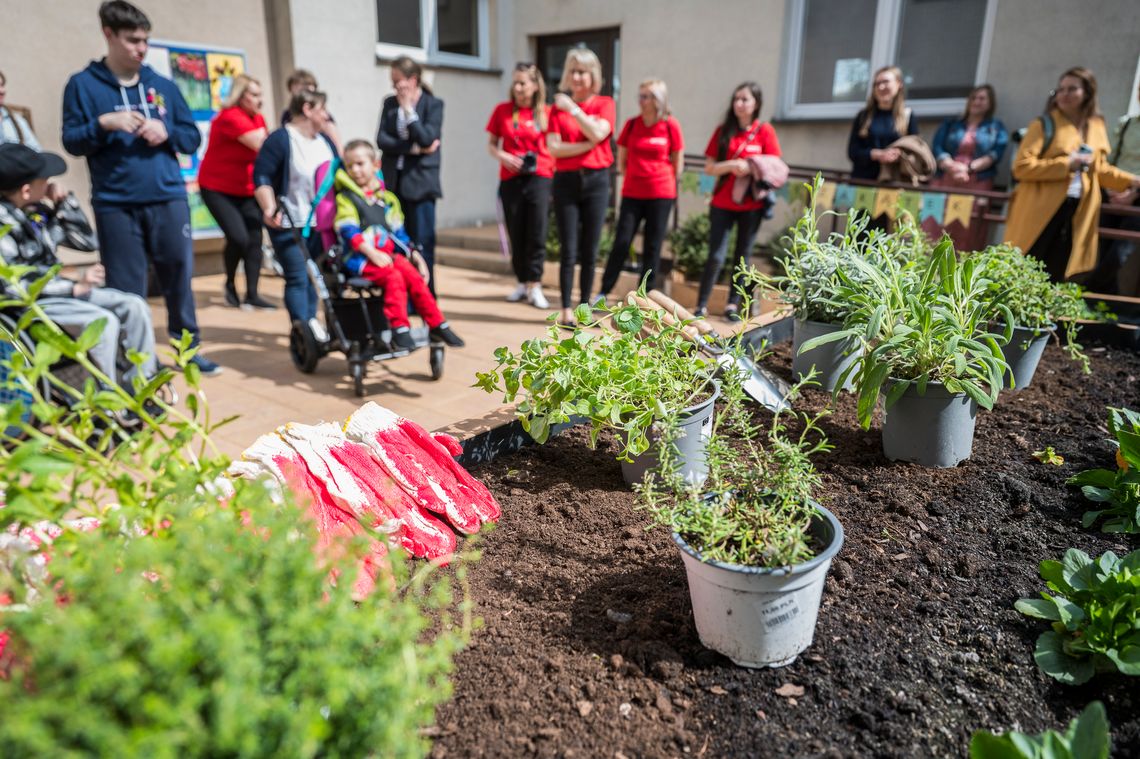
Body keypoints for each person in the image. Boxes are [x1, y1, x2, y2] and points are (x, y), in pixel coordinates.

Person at [61, 0, 220, 376]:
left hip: (168, 198)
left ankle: (186, 352)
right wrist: (105, 123)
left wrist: (167, 132)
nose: (141, 48)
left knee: (179, 280)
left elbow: (190, 139)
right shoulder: (82, 86)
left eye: (145, 40)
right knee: (127, 291)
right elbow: (71, 141)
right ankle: (138, 363)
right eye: (133, 40)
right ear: (109, 35)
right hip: (116, 204)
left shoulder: (161, 85)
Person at [0, 143, 157, 392]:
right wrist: (74, 287)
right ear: (27, 189)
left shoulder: (37, 213)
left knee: (134, 306)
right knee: (103, 322)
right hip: (31, 305)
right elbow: (13, 286)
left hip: (61, 294)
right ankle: (107, 404)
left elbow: (86, 242)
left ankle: (143, 386)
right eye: (46, 179)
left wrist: (65, 203)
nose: (51, 183)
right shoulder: (4, 227)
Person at [1005, 67, 1140, 283]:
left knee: (1059, 270)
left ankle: (1045, 315)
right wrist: (1067, 164)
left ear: (1087, 93)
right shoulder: (1043, 125)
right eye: (1060, 89)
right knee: (1027, 265)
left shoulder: (1096, 127)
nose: (1064, 94)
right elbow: (1021, 167)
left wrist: (1132, 181)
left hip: (1078, 210)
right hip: (1040, 210)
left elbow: (1100, 169)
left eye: (1072, 89)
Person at [333, 140, 464, 350]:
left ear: (375, 165)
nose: (355, 170)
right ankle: (399, 328)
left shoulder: (389, 200)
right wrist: (372, 253)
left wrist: (415, 256)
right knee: (394, 277)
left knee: (413, 276)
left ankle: (437, 323)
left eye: (360, 164)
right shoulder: (346, 199)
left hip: (387, 256)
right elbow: (349, 231)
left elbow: (399, 235)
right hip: (360, 259)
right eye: (349, 166)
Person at [695, 82, 780, 320]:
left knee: (742, 256)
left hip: (751, 205)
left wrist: (751, 167)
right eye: (736, 99)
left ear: (756, 104)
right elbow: (710, 168)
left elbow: (773, 167)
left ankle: (732, 305)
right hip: (722, 203)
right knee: (716, 255)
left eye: (745, 99)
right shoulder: (723, 131)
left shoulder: (765, 131)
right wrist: (732, 166)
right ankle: (701, 304)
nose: (739, 104)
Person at [253, 89, 337, 328]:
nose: (327, 115)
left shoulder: (325, 141)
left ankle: (312, 325)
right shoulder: (281, 139)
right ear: (308, 109)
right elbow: (262, 176)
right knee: (298, 277)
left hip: (321, 225)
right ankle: (304, 329)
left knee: (317, 278)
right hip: (289, 222)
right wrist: (269, 208)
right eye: (323, 109)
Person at [547, 47, 615, 325]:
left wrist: (573, 110)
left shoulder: (604, 104)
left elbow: (600, 132)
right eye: (573, 71)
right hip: (566, 181)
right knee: (568, 248)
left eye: (583, 72)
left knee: (590, 249)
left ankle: (583, 308)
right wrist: (588, 143)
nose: (576, 77)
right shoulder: (555, 109)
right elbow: (554, 148)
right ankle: (565, 308)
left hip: (597, 181)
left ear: (593, 75)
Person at [599, 78, 683, 299]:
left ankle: (644, 296)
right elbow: (622, 159)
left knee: (653, 246)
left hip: (661, 193)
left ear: (658, 100)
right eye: (640, 96)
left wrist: (665, 181)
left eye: (646, 97)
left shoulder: (670, 125)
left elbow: (677, 161)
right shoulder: (632, 124)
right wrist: (633, 177)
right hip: (633, 193)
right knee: (622, 241)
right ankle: (603, 291)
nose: (642, 101)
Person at [198, 73, 273, 310]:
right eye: (254, 94)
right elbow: (262, 144)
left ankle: (252, 294)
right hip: (217, 188)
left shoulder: (258, 118)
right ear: (240, 96)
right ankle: (230, 284)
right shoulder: (230, 117)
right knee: (238, 237)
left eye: (260, 95)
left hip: (246, 189)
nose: (259, 100)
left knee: (255, 239)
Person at [486, 62, 553, 309]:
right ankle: (522, 281)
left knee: (536, 232)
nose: (517, 87)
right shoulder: (502, 111)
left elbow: (556, 146)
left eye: (523, 82)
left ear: (535, 86)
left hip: (540, 177)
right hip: (510, 179)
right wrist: (503, 156)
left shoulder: (547, 113)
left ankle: (535, 284)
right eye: (515, 82)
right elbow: (492, 144)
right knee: (516, 232)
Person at [376, 56, 443, 294]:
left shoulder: (433, 105)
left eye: (399, 82)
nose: (395, 88)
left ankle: (425, 296)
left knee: (423, 242)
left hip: (421, 185)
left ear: (413, 80)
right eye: (393, 83)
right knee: (398, 242)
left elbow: (428, 138)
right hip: (394, 183)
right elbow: (382, 140)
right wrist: (413, 149)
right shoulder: (388, 104)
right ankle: (403, 295)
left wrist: (408, 110)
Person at [1090, 80, 1140, 295]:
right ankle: (1104, 299)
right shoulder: (1126, 123)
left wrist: (1134, 192)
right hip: (1112, 191)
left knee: (1121, 252)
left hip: (1137, 197)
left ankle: (1092, 291)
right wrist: (1112, 187)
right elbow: (1107, 160)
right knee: (1100, 247)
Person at [931, 85, 1008, 192]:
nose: (976, 102)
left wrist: (968, 169)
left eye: (981, 99)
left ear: (990, 103)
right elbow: (937, 147)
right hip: (946, 175)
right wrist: (951, 166)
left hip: (978, 180)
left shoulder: (996, 127)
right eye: (973, 98)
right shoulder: (951, 123)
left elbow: (995, 154)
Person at [847, 66, 919, 181]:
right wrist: (877, 155)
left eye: (885, 82)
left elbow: (915, 153)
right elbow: (852, 152)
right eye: (876, 83)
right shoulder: (863, 116)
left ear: (899, 84)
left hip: (895, 183)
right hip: (863, 182)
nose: (880, 87)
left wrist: (897, 155)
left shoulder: (908, 116)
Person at [279, 68, 342, 149]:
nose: (301, 98)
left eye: (307, 93)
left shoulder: (322, 116)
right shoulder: (287, 114)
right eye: (297, 94)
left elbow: (337, 146)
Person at [0, 70, 42, 150]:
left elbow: (36, 151)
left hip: (18, 161)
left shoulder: (17, 120)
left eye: (2, 85)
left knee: (54, 159)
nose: (2, 91)